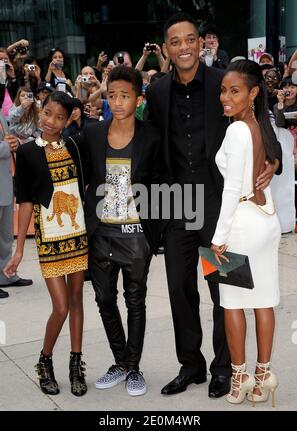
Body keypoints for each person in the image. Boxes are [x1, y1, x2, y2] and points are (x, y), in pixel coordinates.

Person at [145, 12, 282, 398]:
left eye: (191, 39)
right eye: (176, 41)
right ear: (167, 49)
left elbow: (262, 121)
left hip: (220, 205)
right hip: (175, 205)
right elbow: (152, 152)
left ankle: (226, 368)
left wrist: (274, 161)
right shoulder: (156, 92)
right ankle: (191, 366)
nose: (185, 46)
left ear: (200, 42)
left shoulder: (223, 82)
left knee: (225, 290)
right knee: (178, 289)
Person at [67, 66, 160, 396]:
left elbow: (162, 183)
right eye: (112, 96)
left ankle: (133, 367)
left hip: (137, 235)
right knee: (105, 299)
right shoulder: (93, 133)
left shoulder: (151, 136)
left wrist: (154, 236)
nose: (118, 102)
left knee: (136, 301)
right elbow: (75, 168)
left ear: (138, 99)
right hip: (102, 233)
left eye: (125, 96)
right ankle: (120, 361)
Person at [4, 91, 88, 397]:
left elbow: (84, 187)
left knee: (77, 299)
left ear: (68, 120)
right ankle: (45, 360)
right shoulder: (27, 153)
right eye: (47, 113)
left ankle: (76, 364)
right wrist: (19, 249)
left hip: (77, 233)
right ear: (41, 112)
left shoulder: (76, 146)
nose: (51, 121)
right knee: (62, 306)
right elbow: (25, 201)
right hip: (49, 238)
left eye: (59, 117)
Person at [211, 59, 280, 406]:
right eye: (223, 90)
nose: (225, 97)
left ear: (253, 92)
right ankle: (264, 374)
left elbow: (231, 189)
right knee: (264, 301)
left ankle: (239, 377)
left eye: (234, 91)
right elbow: (270, 162)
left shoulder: (236, 130)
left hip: (240, 225)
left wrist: (218, 237)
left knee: (232, 304)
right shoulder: (260, 124)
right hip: (266, 221)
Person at [0, 89, 32, 297]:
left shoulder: (1, 114)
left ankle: (6, 274)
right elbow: (5, 143)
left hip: (6, 179)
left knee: (4, 235)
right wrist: (6, 146)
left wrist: (12, 143)